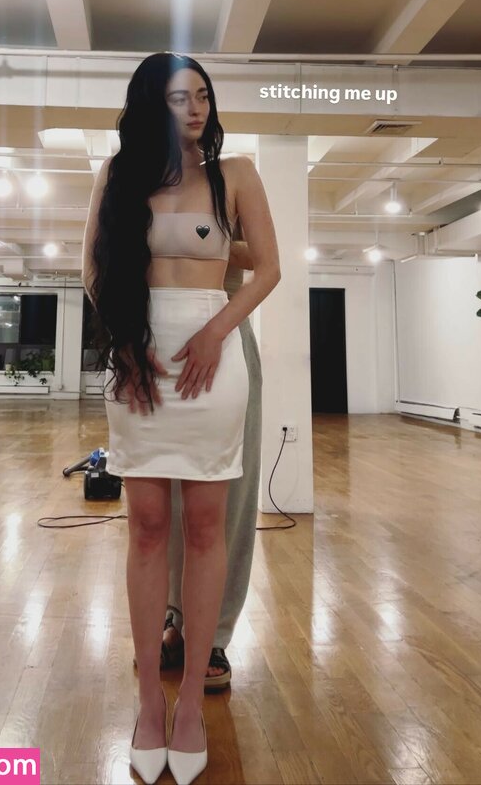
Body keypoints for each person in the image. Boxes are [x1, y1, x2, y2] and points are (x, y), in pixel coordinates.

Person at [82, 53, 279, 785]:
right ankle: (146, 703)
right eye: (178, 97)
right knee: (145, 526)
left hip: (211, 351)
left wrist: (217, 331)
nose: (195, 108)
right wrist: (125, 346)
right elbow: (94, 270)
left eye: (203, 95)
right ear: (149, 105)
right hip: (138, 351)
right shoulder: (118, 174)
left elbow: (269, 269)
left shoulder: (238, 174)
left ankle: (191, 702)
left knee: (204, 526)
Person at [164, 231, 262, 693]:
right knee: (159, 500)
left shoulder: (235, 189)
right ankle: (173, 617)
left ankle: (215, 635)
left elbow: (262, 257)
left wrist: (207, 239)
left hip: (226, 337)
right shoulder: (138, 190)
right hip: (158, 339)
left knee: (230, 497)